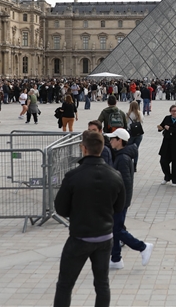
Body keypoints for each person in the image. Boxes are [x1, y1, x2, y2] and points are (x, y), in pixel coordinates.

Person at [53, 131, 125, 307]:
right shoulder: (115, 175)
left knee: (65, 284)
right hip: (105, 237)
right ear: (102, 149)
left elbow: (60, 208)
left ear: (83, 148)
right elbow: (119, 207)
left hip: (80, 237)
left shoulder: (73, 176)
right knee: (102, 284)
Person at [105, 128, 154, 270]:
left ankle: (143, 247)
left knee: (117, 230)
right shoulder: (121, 155)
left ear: (120, 140)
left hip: (120, 200)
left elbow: (124, 182)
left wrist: (116, 200)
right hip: (120, 199)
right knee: (115, 229)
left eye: (113, 139)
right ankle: (115, 259)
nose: (110, 141)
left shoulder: (122, 158)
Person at [157, 105, 176, 187]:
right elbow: (162, 126)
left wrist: (170, 128)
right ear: (170, 112)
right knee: (163, 161)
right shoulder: (167, 118)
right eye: (173, 111)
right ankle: (167, 176)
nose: (175, 112)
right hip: (167, 143)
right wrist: (160, 128)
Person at [126, 101, 143, 170]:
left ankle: (130, 164)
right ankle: (135, 165)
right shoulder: (140, 113)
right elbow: (142, 121)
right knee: (136, 149)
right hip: (138, 133)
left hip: (130, 132)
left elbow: (126, 123)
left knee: (129, 149)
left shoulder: (128, 114)